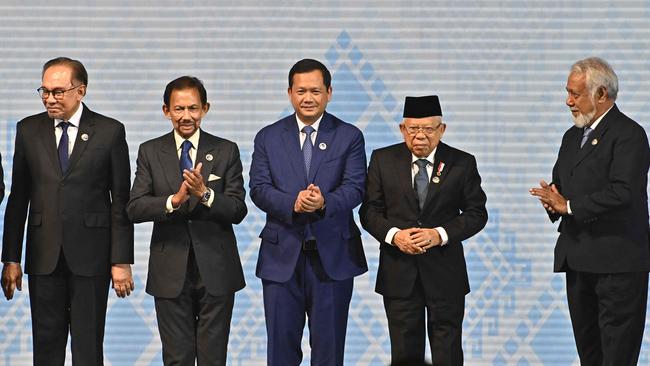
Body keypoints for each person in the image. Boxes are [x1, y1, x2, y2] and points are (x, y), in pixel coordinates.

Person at [0, 57, 134, 365]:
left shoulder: (110, 132)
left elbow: (121, 202)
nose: (49, 98)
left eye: (58, 91)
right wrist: (11, 258)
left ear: (81, 91)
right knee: (46, 348)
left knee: (88, 348)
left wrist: (121, 260)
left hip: (92, 257)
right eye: (44, 91)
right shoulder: (28, 130)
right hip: (43, 256)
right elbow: (18, 198)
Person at [530, 57, 650, 365]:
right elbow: (563, 185)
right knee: (589, 354)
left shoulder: (629, 135)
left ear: (601, 94)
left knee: (617, 355)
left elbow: (624, 192)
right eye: (567, 92)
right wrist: (553, 199)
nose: (568, 101)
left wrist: (568, 205)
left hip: (617, 264)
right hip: (579, 259)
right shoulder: (572, 136)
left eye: (575, 93)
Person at [249, 58, 367, 366]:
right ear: (289, 93)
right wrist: (294, 202)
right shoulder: (268, 137)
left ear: (329, 92)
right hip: (281, 258)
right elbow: (259, 188)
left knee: (329, 351)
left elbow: (355, 188)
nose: (308, 98)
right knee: (280, 351)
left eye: (316, 90)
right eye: (301, 91)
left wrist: (323, 201)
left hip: (332, 258)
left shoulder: (349, 136)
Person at [127, 76, 246, 365]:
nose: (186, 116)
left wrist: (205, 194)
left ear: (205, 108)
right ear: (166, 110)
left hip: (216, 269)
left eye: (193, 108)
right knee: (177, 359)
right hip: (169, 269)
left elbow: (237, 209)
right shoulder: (150, 151)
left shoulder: (226, 149)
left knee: (213, 358)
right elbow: (135, 207)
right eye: (178, 109)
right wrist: (173, 201)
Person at [360, 95, 487, 365]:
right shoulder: (383, 160)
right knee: (405, 354)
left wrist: (438, 234)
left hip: (445, 274)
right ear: (402, 129)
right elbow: (369, 211)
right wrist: (395, 236)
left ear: (442, 129)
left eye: (428, 129)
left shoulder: (462, 162)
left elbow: (477, 213)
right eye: (413, 129)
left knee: (448, 352)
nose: (420, 136)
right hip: (399, 274)